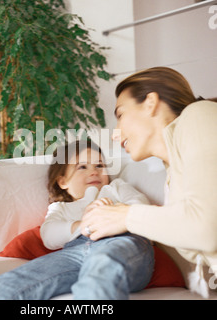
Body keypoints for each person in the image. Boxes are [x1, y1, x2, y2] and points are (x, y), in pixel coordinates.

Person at [81, 67, 217, 296]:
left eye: (120, 114)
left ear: (150, 102)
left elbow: (204, 229)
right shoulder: (172, 173)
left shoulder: (200, 114)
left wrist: (126, 216)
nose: (115, 134)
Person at [0, 140, 154, 300]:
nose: (94, 171)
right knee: (2, 287)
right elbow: (48, 236)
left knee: (100, 272)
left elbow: (141, 206)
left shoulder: (115, 188)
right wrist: (84, 224)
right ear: (63, 181)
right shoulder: (61, 208)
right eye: (82, 167)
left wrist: (112, 213)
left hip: (120, 243)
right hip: (75, 253)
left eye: (99, 165)